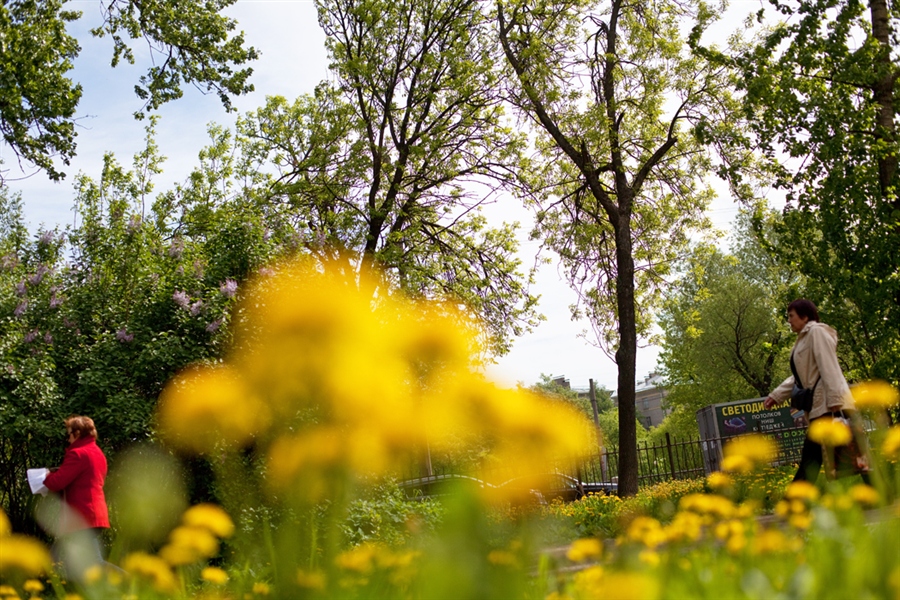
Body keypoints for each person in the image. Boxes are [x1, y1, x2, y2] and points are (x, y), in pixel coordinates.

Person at [763, 299, 866, 483]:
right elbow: (800, 376)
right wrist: (776, 395)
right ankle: (875, 489)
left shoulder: (816, 332)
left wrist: (836, 401)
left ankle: (794, 500)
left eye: (791, 316)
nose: (789, 320)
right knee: (833, 453)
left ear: (804, 316)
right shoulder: (803, 340)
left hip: (828, 404)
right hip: (821, 405)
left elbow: (829, 366)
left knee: (812, 456)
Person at [43, 415, 120, 579]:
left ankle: (136, 581)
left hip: (82, 516)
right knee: (67, 562)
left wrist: (47, 476)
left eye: (69, 434)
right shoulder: (98, 453)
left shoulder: (78, 454)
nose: (68, 438)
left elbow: (57, 482)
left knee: (92, 563)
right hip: (94, 514)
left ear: (77, 433)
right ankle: (66, 590)